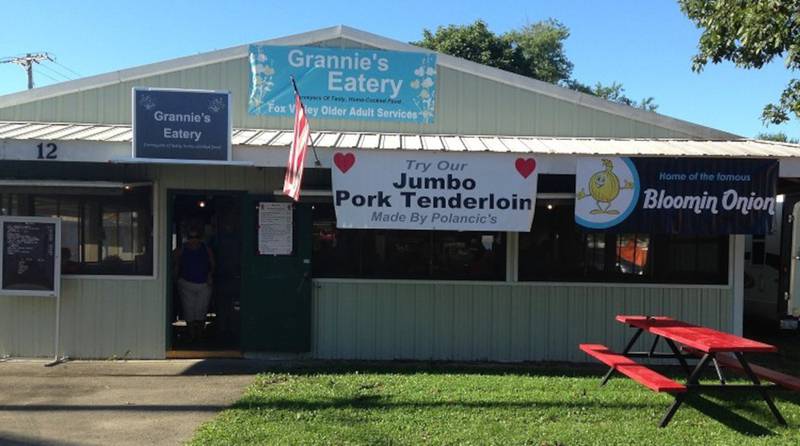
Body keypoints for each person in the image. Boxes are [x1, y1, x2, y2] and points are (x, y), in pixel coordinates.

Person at [173, 225, 215, 342]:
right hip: (186, 283)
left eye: (196, 237)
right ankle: (192, 334)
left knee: (202, 309)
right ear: (187, 238)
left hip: (204, 284)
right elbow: (176, 263)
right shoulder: (182, 249)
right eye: (191, 237)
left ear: (200, 238)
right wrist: (176, 278)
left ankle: (200, 334)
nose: (193, 239)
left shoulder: (206, 248)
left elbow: (212, 263)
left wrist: (210, 275)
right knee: (188, 309)